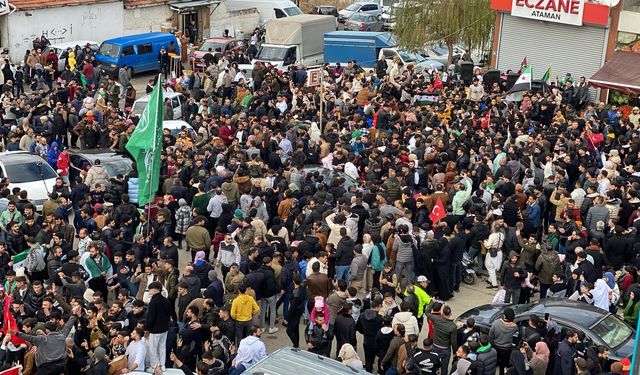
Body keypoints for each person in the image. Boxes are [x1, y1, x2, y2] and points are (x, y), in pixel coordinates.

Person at [145, 281, 172, 374]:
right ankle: (162, 365)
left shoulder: (153, 301)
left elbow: (151, 317)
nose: (149, 291)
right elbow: (170, 313)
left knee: (153, 348)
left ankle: (154, 367)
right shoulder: (166, 300)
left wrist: (147, 327)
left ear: (154, 290)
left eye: (150, 289)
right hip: (165, 328)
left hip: (155, 329)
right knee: (162, 347)